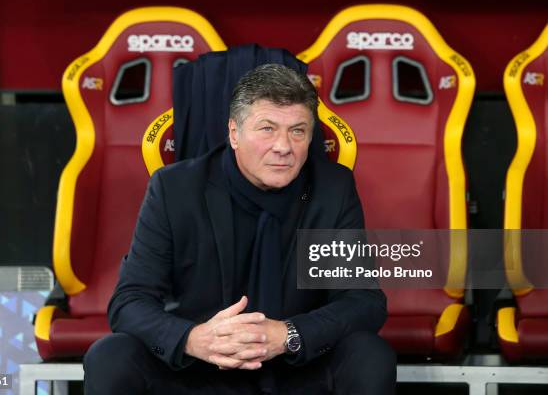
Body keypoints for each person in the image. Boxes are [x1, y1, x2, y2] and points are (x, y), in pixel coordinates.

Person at [83, 64, 396, 394]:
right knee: (111, 355)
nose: (283, 146)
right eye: (267, 129)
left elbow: (363, 302)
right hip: (199, 369)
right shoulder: (175, 188)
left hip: (296, 368)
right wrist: (192, 339)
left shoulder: (331, 189)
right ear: (234, 133)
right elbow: (130, 302)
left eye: (298, 131)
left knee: (369, 355)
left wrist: (290, 334)